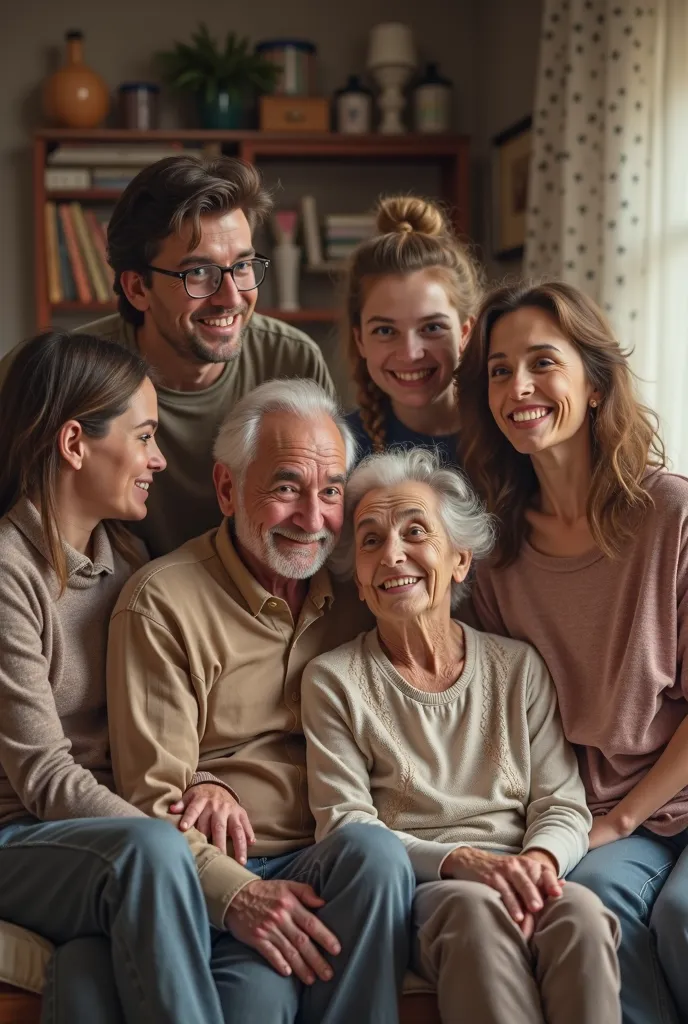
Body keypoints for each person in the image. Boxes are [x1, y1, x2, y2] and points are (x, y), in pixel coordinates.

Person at [106, 379, 415, 1024]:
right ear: (226, 489)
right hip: (231, 868)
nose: (311, 517)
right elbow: (151, 805)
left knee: (378, 854)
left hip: (336, 857)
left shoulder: (365, 590)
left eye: (331, 491)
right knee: (257, 1002)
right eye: (284, 488)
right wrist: (242, 893)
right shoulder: (162, 603)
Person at [301, 448, 621, 1024]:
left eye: (416, 531)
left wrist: (538, 864)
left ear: (459, 561)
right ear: (361, 583)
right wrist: (464, 863)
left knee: (583, 917)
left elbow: (562, 801)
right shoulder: (334, 681)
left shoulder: (517, 667)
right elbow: (346, 827)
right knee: (476, 915)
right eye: (370, 540)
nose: (392, 553)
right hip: (430, 886)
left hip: (522, 866)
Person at [457, 280, 688, 1024]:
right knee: (583, 909)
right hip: (584, 816)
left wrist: (619, 822)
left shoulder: (671, 515)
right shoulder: (493, 554)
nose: (518, 387)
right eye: (498, 369)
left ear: (593, 383)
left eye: (542, 362)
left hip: (657, 800)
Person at [0, 331, 230, 1024]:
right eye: (145, 436)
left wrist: (204, 780)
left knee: (88, 973)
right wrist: (168, 840)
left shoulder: (128, 559)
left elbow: (176, 710)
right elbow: (42, 777)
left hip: (103, 841)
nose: (159, 459)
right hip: (21, 838)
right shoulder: (10, 572)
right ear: (75, 444)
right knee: (150, 855)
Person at [0, 156, 334, 557]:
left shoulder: (293, 361)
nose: (231, 297)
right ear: (137, 287)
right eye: (198, 273)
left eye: (242, 266)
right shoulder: (66, 377)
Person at [343, 194, 482, 465]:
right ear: (359, 339)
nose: (409, 353)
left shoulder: (511, 435)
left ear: (465, 333)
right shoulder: (338, 447)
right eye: (385, 331)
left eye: (431, 327)